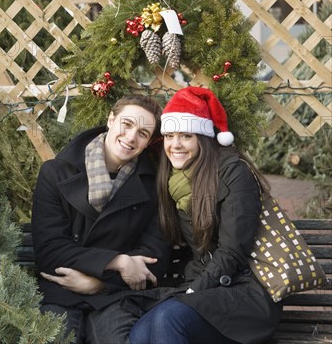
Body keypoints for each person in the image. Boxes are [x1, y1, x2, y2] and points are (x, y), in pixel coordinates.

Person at [128, 87, 282, 344]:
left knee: (169, 319)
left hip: (245, 290)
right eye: (169, 136)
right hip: (205, 286)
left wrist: (193, 291)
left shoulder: (233, 173)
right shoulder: (172, 180)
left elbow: (233, 251)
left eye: (186, 136)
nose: (175, 145)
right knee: (140, 332)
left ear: (203, 138)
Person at [31, 94, 171, 344]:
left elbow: (154, 255)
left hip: (116, 295)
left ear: (149, 141)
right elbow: (50, 249)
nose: (130, 137)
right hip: (62, 289)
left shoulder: (154, 185)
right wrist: (117, 261)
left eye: (143, 133)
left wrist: (99, 284)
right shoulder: (56, 172)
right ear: (111, 119)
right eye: (126, 124)